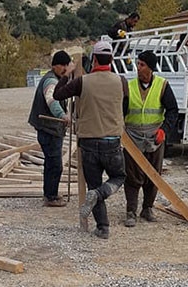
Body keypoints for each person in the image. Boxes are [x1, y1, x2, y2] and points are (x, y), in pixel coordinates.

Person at [53, 41, 129, 239]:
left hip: (88, 142)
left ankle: (103, 227)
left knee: (93, 185)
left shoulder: (82, 82)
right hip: (111, 141)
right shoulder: (121, 81)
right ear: (111, 59)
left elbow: (57, 94)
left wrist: (67, 74)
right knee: (118, 177)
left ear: (94, 59)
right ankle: (101, 194)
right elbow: (125, 108)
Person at [123, 51, 179, 227]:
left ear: (150, 67)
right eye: (138, 64)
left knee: (153, 174)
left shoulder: (162, 85)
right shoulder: (129, 86)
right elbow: (121, 111)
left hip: (154, 135)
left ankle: (147, 208)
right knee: (132, 175)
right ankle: (131, 211)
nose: (138, 68)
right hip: (132, 135)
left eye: (142, 65)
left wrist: (164, 130)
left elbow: (173, 110)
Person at [27, 50, 73, 207]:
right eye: (63, 66)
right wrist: (62, 115)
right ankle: (51, 197)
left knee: (51, 163)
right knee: (55, 164)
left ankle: (50, 193)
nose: (65, 69)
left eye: (67, 66)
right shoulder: (51, 81)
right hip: (49, 129)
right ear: (56, 66)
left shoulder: (53, 79)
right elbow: (52, 100)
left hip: (48, 128)